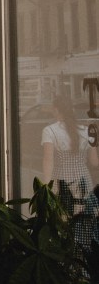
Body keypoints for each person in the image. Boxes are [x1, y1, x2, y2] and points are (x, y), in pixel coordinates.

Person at [42, 94, 99, 258]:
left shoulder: (49, 131)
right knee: (84, 226)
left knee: (64, 227)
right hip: (84, 182)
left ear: (56, 110)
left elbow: (48, 161)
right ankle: (83, 268)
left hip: (63, 183)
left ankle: (68, 267)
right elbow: (94, 163)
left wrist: (46, 189)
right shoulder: (86, 130)